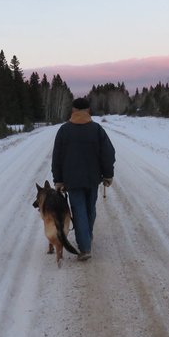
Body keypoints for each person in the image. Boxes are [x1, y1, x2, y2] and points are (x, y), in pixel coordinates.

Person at [51, 97, 116, 261]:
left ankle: (85, 246)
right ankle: (86, 238)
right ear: (88, 111)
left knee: (79, 209)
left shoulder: (64, 130)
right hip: (93, 178)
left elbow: (57, 157)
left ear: (73, 111)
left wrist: (58, 179)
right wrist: (108, 174)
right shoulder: (97, 129)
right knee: (90, 209)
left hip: (72, 180)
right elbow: (108, 153)